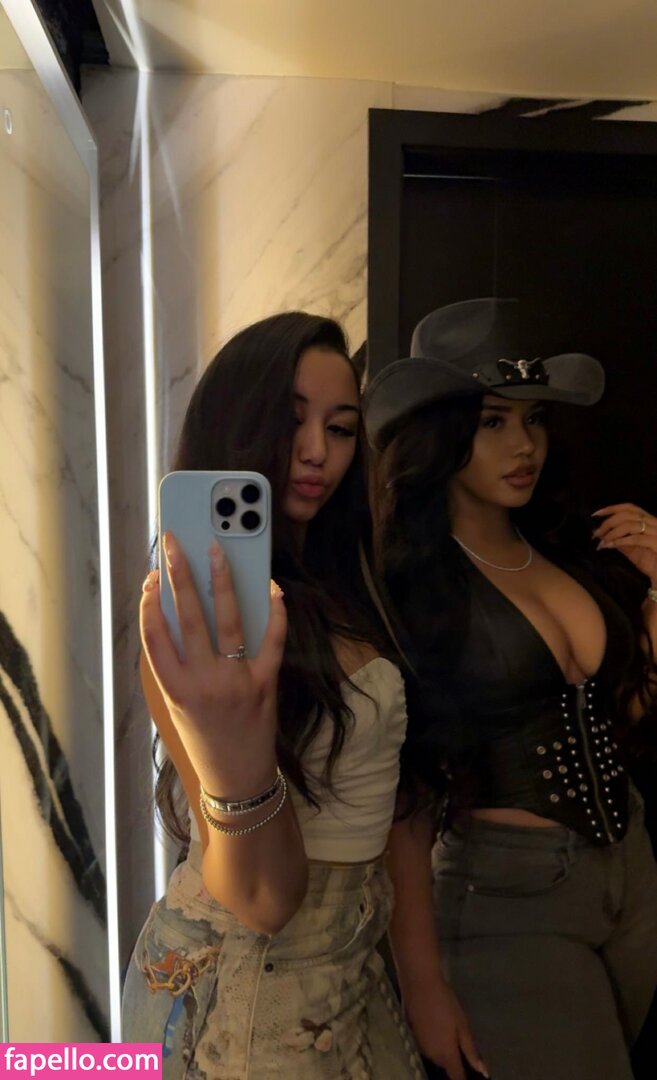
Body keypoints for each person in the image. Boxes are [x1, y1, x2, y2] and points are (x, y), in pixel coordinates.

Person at [122, 311, 426, 1079]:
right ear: (237, 424)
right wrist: (236, 752)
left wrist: (424, 980)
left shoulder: (354, 583)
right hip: (239, 986)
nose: (317, 450)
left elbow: (399, 807)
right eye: (291, 422)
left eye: (341, 427)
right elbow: (259, 898)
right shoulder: (191, 618)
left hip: (351, 970)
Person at [364, 298, 657, 1080]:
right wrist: (421, 983)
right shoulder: (411, 586)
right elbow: (404, 803)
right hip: (508, 899)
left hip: (630, 873)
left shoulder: (564, 550)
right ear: (440, 433)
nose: (522, 445)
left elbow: (625, 714)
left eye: (533, 419)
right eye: (492, 421)